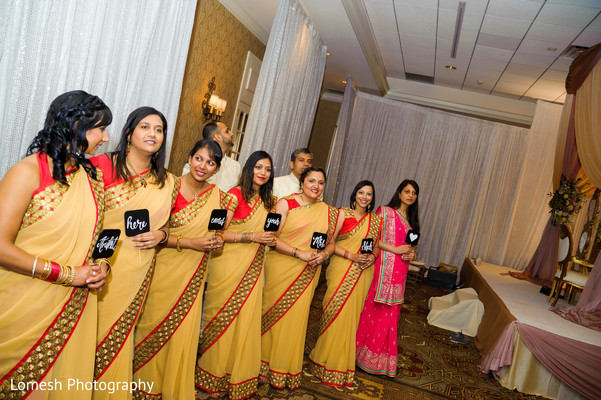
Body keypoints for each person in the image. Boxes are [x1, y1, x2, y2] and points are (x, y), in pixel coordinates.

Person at [0, 91, 111, 399]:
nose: (105, 137)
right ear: (76, 124)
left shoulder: (92, 178)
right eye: (100, 128)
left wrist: (103, 267)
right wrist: (66, 275)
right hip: (23, 306)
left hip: (75, 306)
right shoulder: (27, 172)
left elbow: (97, 239)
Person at [91, 107, 177, 400]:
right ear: (129, 133)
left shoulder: (167, 181)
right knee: (87, 335)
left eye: (159, 129)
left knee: (118, 337)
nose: (152, 134)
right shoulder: (102, 166)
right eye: (145, 126)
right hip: (96, 266)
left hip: (137, 269)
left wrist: (160, 235)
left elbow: (166, 225)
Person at [133, 139, 227, 399]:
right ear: (188, 158)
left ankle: (175, 387)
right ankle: (146, 386)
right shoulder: (167, 186)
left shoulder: (219, 197)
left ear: (217, 168)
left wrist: (215, 241)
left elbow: (217, 233)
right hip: (162, 268)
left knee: (183, 332)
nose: (203, 166)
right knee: (153, 324)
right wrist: (192, 242)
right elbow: (156, 234)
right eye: (198, 158)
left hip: (193, 274)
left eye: (210, 162)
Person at [196, 150, 278, 399]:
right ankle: (212, 370)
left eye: (267, 169)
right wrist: (251, 236)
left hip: (253, 265)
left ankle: (236, 372)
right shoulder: (233, 196)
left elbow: (270, 233)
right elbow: (219, 233)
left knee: (245, 319)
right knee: (221, 316)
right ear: (249, 168)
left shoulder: (270, 202)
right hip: (228, 264)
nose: (263, 173)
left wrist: (269, 239)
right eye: (259, 167)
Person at [260, 167, 338, 390]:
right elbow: (270, 237)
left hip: (309, 271)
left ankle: (283, 368)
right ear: (302, 182)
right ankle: (262, 363)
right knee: (273, 313)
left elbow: (331, 242)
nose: (316, 186)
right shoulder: (284, 204)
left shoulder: (328, 211)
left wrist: (324, 254)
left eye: (321, 182)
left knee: (296, 320)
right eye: (311, 181)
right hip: (281, 267)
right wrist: (298, 253)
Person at [308, 180, 383, 387]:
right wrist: (351, 255)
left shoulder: (376, 220)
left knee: (350, 318)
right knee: (334, 313)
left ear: (372, 198)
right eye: (361, 192)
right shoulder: (342, 214)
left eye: (369, 194)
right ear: (355, 194)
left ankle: (341, 365)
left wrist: (373, 258)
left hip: (363, 272)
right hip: (341, 267)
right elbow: (330, 242)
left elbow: (375, 246)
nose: (364, 197)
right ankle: (322, 360)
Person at [355, 179, 420, 377]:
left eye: (414, 193)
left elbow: (411, 247)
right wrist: (395, 249)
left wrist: (412, 254)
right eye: (407, 191)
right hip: (381, 270)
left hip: (399, 274)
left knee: (391, 316)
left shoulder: (412, 221)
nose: (410, 195)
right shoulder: (384, 211)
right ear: (399, 193)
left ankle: (379, 359)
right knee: (373, 311)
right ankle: (359, 354)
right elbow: (371, 237)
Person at [182, 122, 241, 191]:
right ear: (217, 137)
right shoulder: (193, 167)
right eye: (227, 131)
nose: (232, 134)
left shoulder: (236, 166)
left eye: (210, 163)